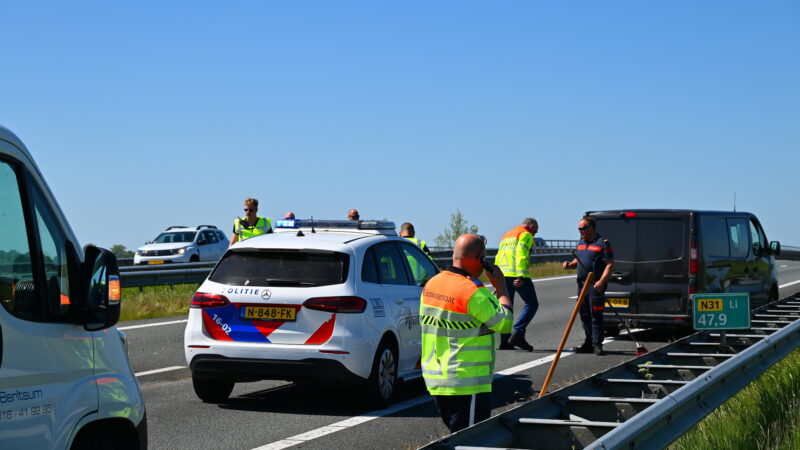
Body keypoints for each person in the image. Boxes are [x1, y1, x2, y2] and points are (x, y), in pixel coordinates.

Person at [420, 234, 513, 432]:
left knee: (457, 436)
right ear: (480, 258)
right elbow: (504, 324)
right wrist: (502, 289)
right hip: (466, 381)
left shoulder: (432, 284)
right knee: (472, 439)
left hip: (437, 379)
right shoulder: (472, 291)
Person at [562, 216, 615, 355]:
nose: (580, 231)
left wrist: (601, 282)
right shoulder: (581, 242)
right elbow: (578, 259)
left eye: (583, 228)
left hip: (595, 285)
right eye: (579, 229)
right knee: (584, 314)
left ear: (591, 227)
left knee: (595, 314)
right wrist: (570, 264)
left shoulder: (602, 243)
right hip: (581, 285)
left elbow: (609, 264)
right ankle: (588, 343)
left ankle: (597, 344)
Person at [494, 218, 539, 352]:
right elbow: (521, 255)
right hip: (517, 274)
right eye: (536, 230)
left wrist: (496, 277)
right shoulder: (526, 234)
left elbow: (499, 256)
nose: (535, 233)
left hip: (503, 274)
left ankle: (505, 341)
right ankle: (518, 333)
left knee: (507, 307)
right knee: (532, 304)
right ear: (531, 226)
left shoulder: (507, 234)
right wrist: (521, 276)